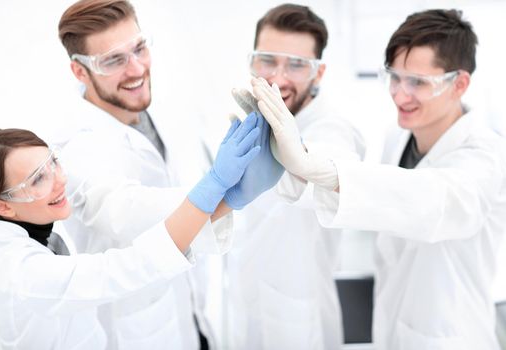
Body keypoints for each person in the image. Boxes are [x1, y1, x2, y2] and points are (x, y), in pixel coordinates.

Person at [253, 8, 506, 350]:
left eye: (418, 82)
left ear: (459, 83)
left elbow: (434, 202)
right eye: (394, 77)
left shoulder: (487, 156)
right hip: (394, 328)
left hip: (452, 337)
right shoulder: (397, 136)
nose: (400, 95)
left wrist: (329, 172)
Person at [52, 0, 285, 348]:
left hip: (190, 311)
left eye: (139, 49)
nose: (136, 69)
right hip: (138, 330)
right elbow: (124, 212)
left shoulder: (155, 108)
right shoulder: (78, 147)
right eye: (113, 60)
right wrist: (223, 193)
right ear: (79, 71)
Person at [0, 118, 264, 349]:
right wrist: (214, 188)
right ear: (2, 206)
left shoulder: (37, 215)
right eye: (38, 178)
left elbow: (126, 205)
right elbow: (120, 270)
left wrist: (225, 198)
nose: (60, 179)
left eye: (53, 161)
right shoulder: (18, 271)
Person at [223, 4, 365, 349]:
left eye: (297, 65)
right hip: (242, 305)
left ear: (319, 72)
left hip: (298, 324)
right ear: (251, 61)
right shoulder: (248, 118)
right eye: (267, 60)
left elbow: (334, 166)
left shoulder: (334, 126)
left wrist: (299, 158)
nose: (278, 78)